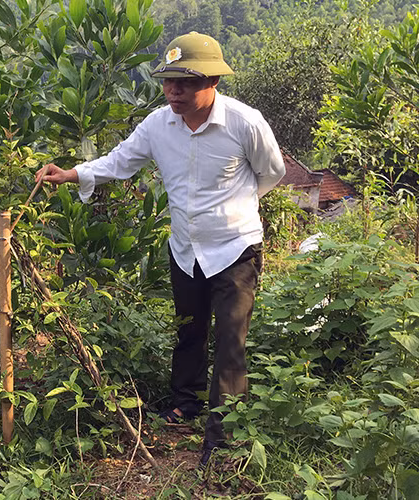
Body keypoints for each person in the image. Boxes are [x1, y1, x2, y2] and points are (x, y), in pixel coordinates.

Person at [36, 32, 285, 466]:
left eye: (185, 82)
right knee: (188, 331)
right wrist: (72, 174)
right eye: (169, 82)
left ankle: (221, 437)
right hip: (185, 248)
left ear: (212, 82)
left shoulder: (245, 123)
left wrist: (238, 211)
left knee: (230, 341)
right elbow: (120, 160)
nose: (174, 91)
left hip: (235, 250)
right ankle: (184, 404)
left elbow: (272, 172)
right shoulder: (157, 124)